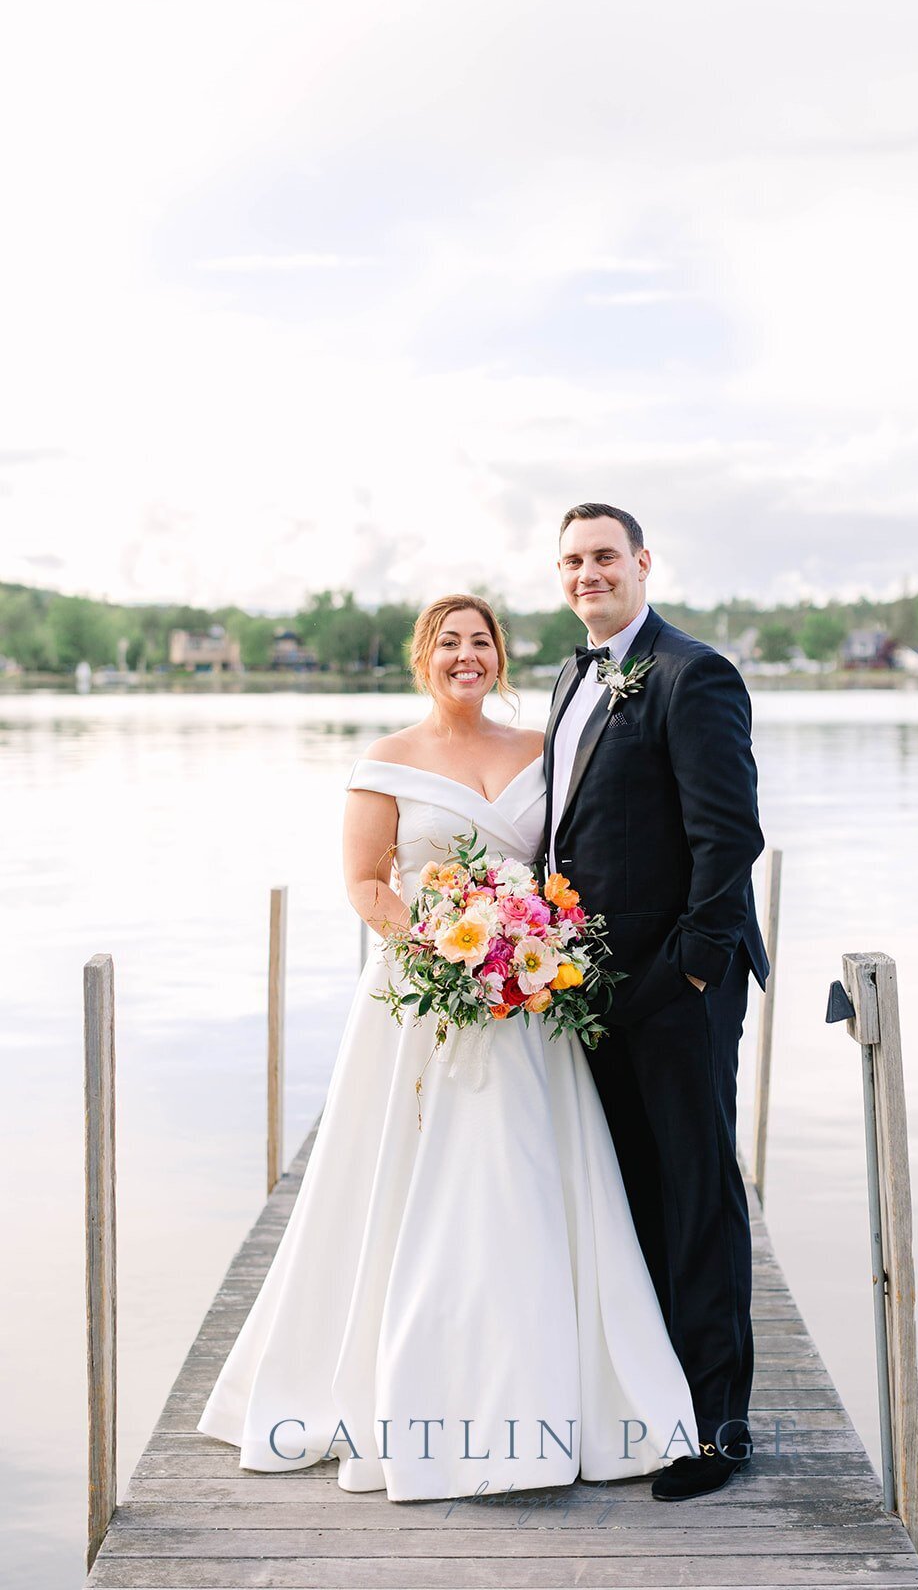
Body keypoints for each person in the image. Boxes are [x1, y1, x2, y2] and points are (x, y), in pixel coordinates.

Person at [197, 592, 697, 1500]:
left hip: (529, 1001)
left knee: (532, 1181)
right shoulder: (383, 761)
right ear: (422, 657)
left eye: (482, 643)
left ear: (500, 658)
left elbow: (572, 870)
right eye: (449, 644)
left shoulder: (545, 753)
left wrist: (525, 950)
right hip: (426, 1001)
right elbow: (363, 883)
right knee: (403, 1183)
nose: (467, 657)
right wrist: (450, 952)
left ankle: (556, 1393)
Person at [544, 505, 770, 1501]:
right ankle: (655, 1404)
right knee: (630, 1187)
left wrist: (688, 967)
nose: (587, 573)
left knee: (695, 1191)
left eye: (603, 557)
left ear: (641, 563)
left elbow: (729, 839)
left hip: (677, 988)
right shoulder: (569, 674)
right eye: (572, 561)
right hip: (592, 986)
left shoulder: (691, 672)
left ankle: (718, 1426)